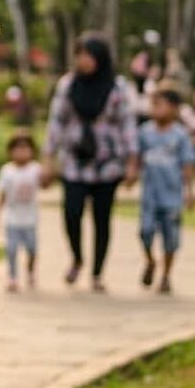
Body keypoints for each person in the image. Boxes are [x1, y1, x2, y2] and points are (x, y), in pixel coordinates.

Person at [45, 35, 138, 292]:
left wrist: (132, 161)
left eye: (88, 55)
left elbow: (127, 125)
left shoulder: (117, 88)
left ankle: (97, 272)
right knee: (71, 213)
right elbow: (56, 122)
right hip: (74, 162)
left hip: (107, 164)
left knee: (102, 219)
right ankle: (77, 257)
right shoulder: (68, 85)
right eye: (79, 55)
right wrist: (48, 159)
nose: (82, 60)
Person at [133, 85, 195, 293]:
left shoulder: (180, 136)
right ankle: (151, 261)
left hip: (171, 198)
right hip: (149, 196)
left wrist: (189, 192)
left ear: (174, 108)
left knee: (171, 239)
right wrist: (131, 175)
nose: (155, 109)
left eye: (160, 105)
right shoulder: (144, 133)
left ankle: (166, 276)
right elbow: (136, 159)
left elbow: (187, 166)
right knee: (145, 232)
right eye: (153, 105)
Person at [0, 131, 42, 292]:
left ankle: (30, 271)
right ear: (10, 151)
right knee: (11, 250)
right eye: (18, 149)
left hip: (30, 220)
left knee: (32, 250)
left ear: (32, 151)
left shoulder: (36, 169)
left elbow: (47, 183)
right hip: (12, 220)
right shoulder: (7, 171)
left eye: (25, 149)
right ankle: (12, 277)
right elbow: (2, 195)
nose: (21, 153)